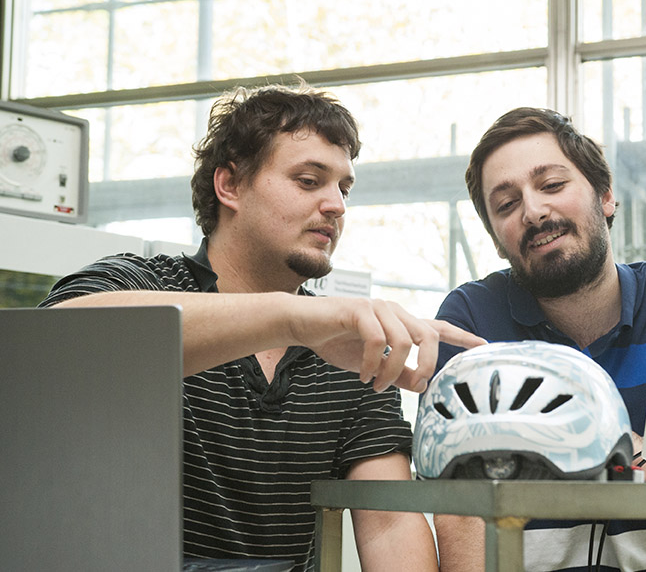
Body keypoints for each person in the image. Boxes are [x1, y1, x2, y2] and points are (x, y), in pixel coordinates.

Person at [39, 83, 485, 571]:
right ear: (229, 185)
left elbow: (389, 524)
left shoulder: (348, 349)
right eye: (309, 180)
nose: (336, 205)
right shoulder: (144, 282)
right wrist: (292, 319)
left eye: (343, 189)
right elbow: (56, 343)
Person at [432, 107, 646, 572]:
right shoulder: (471, 321)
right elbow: (457, 507)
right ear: (496, 239)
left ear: (605, 196)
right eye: (506, 205)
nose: (533, 211)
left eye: (552, 185)